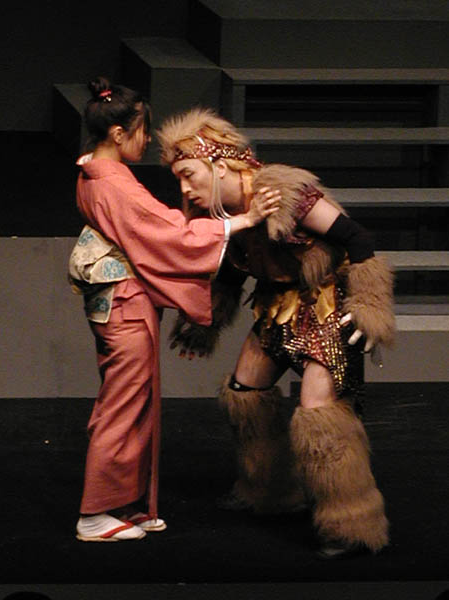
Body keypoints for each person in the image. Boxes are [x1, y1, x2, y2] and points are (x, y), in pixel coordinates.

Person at [157, 107, 396, 558]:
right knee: (245, 393)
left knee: (319, 415)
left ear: (219, 165)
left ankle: (350, 521)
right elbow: (233, 271)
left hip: (324, 305)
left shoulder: (285, 192)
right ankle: (269, 489)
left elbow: (358, 239)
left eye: (188, 175)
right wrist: (203, 322)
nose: (184, 189)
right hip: (277, 306)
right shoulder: (225, 210)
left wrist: (369, 306)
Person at [68, 78, 279, 542]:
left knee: (137, 400)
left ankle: (127, 503)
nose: (146, 140)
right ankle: (95, 513)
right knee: (124, 404)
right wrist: (242, 221)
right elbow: (168, 234)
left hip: (121, 300)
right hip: (123, 303)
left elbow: (156, 227)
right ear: (118, 134)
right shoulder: (111, 182)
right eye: (141, 131)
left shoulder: (95, 174)